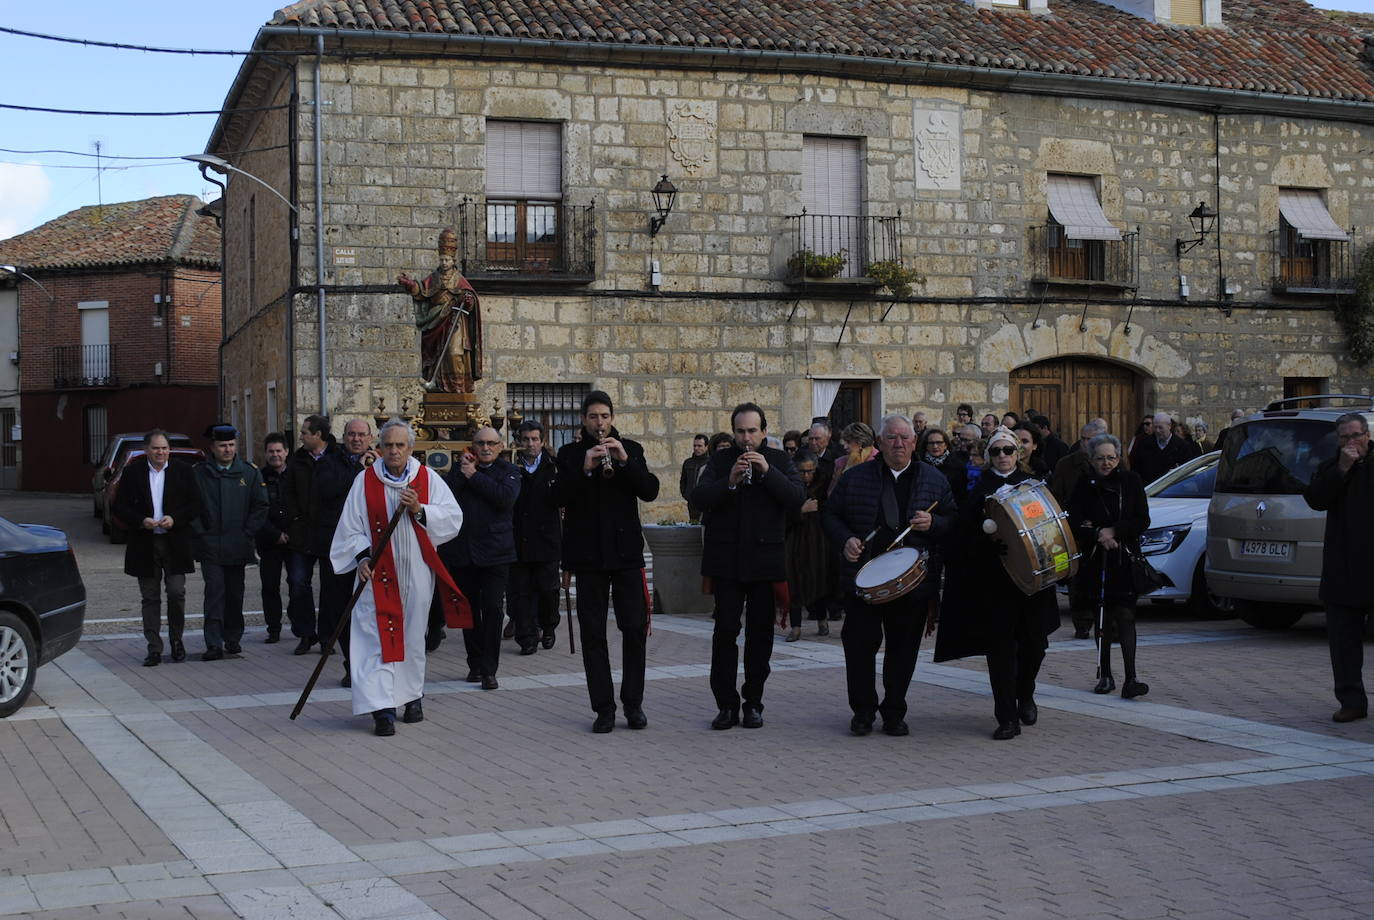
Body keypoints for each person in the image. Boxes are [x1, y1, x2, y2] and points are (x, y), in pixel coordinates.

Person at [330, 419, 469, 736]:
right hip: (376, 576)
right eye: (388, 445)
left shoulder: (426, 478)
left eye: (400, 445)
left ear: (410, 448)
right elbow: (349, 528)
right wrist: (362, 557)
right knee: (374, 640)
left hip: (415, 574)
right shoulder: (364, 482)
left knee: (411, 638)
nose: (393, 451)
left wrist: (421, 510)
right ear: (379, 448)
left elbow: (452, 517)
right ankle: (381, 709)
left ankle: (412, 697)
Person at [823, 413, 956, 737]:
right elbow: (830, 515)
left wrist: (935, 524)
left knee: (903, 649)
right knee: (858, 648)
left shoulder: (934, 479)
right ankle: (863, 712)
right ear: (879, 443)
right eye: (892, 438)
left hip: (912, 583)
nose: (898, 443)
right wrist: (846, 541)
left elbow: (954, 518)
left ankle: (894, 711)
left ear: (914, 442)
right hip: (862, 580)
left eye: (905, 438)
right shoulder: (855, 477)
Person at [936, 427, 1060, 739]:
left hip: (1032, 582)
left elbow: (1050, 529)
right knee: (1001, 649)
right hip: (996, 583)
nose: (1002, 457)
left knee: (1035, 644)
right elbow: (963, 536)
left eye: (1008, 450)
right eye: (996, 451)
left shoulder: (1034, 487)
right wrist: (984, 545)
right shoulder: (978, 492)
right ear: (987, 456)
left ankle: (1026, 691)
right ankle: (1006, 716)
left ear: (1019, 453)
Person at [692, 402, 805, 730]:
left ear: (764, 432)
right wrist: (729, 481)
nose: (746, 438)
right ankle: (726, 704)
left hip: (764, 561)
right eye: (740, 431)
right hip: (726, 562)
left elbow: (797, 498)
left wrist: (768, 473)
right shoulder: (720, 460)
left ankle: (753, 702)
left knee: (760, 635)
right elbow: (698, 498)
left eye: (752, 431)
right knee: (725, 632)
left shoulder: (781, 460)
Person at [555, 391, 660, 733]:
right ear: (583, 420)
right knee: (593, 635)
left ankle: (634, 703)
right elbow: (555, 498)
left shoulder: (630, 448)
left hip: (626, 556)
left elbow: (649, 490)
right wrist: (585, 469)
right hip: (588, 559)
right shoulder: (571, 454)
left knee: (633, 630)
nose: (599, 423)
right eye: (593, 417)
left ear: (612, 418)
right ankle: (603, 708)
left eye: (604, 416)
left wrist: (625, 461)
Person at [1068, 434, 1152, 699]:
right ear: (1091, 460)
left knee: (1126, 616)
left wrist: (1113, 530)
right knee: (1101, 617)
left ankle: (1131, 677)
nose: (1106, 463)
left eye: (1111, 458)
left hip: (1124, 557)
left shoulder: (1132, 481)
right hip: (1096, 559)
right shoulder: (1084, 483)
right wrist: (1096, 535)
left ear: (1119, 457)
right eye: (1100, 458)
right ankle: (1105, 674)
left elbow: (1142, 519)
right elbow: (1075, 519)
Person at [1303, 412, 1374, 723]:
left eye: (1355, 435)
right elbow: (1315, 499)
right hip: (1343, 568)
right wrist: (1343, 468)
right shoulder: (1331, 467)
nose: (1351, 443)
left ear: (1368, 435)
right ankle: (1351, 700)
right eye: (1344, 438)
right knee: (1343, 644)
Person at [438, 426, 521, 689]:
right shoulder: (459, 469)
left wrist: (473, 476)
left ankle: (489, 669)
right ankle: (474, 663)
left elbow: (504, 499)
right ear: (472, 446)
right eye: (480, 443)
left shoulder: (509, 471)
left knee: (494, 609)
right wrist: (463, 473)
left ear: (499, 447)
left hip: (496, 554)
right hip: (463, 553)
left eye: (490, 444)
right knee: (469, 611)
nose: (485, 448)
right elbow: (445, 497)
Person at [112, 429, 202, 667]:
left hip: (175, 542)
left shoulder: (183, 471)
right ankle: (154, 648)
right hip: (145, 543)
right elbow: (119, 507)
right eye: (155, 448)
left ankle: (176, 641)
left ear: (169, 449)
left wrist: (175, 518)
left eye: (164, 448)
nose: (160, 452)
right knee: (150, 597)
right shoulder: (133, 472)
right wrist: (141, 520)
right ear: (146, 450)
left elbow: (195, 504)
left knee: (176, 592)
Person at [191, 424, 268, 662]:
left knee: (235, 593)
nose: (228, 450)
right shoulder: (199, 473)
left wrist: (247, 532)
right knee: (214, 592)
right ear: (212, 447)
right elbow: (190, 505)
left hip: (238, 544)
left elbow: (261, 505)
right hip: (210, 545)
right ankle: (213, 642)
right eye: (223, 446)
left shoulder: (249, 472)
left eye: (231, 445)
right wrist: (201, 533)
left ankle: (233, 637)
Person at [313, 418, 378, 688]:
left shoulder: (380, 463)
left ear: (370, 437)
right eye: (351, 434)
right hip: (339, 547)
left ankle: (371, 665)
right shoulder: (328, 463)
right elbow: (327, 491)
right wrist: (359, 473)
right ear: (344, 436)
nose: (356, 439)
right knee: (342, 609)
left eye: (361, 435)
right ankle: (352, 666)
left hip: (370, 546)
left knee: (368, 610)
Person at [397, 227, 482, 393]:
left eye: (447, 260)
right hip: (435, 320)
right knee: (437, 355)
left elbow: (471, 301)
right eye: (442, 260)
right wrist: (409, 284)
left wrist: (468, 301)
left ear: (453, 260)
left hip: (456, 320)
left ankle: (457, 388)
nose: (444, 263)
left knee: (454, 353)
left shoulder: (460, 279)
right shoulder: (434, 277)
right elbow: (421, 291)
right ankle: (438, 384)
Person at [281, 414, 335, 654]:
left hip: (329, 533)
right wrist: (293, 519)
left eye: (304, 432)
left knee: (330, 588)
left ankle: (327, 636)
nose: (301, 436)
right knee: (298, 583)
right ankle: (305, 633)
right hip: (302, 532)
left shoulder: (336, 457)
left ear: (318, 435)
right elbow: (288, 492)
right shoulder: (298, 460)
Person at [1050, 419, 1109, 640]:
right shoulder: (1066, 465)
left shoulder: (1111, 462)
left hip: (1104, 530)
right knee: (1079, 578)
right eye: (1083, 439)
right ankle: (1082, 622)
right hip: (1076, 530)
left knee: (1104, 576)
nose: (1085, 444)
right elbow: (1057, 497)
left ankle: (1105, 620)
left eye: (1090, 439)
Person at [509, 420, 562, 653]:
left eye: (534, 439)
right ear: (518, 442)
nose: (530, 444)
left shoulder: (554, 467)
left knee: (548, 589)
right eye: (525, 440)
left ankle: (548, 626)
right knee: (520, 592)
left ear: (542, 442)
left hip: (546, 540)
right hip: (518, 539)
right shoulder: (510, 467)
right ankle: (527, 637)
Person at [784, 450, 833, 640]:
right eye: (802, 472)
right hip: (794, 541)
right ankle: (795, 626)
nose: (806, 476)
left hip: (819, 540)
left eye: (810, 471)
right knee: (793, 581)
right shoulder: (788, 486)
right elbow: (780, 515)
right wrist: (800, 511)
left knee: (819, 578)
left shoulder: (824, 484)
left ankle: (822, 619)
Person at [256, 433, 291, 644]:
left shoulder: (296, 475)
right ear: (266, 453)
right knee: (270, 587)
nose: (275, 455)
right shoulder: (258, 478)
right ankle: (274, 628)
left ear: (286, 452)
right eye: (271, 451)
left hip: (294, 540)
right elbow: (256, 511)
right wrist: (274, 534)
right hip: (268, 541)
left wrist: (290, 533)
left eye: (279, 451)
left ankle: (300, 626)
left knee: (297, 585)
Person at [1129, 411, 1192, 485]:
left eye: (1160, 428)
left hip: (1172, 490)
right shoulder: (1144, 444)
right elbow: (1135, 468)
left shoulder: (1182, 446)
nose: (1157, 431)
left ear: (1169, 426)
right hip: (1148, 489)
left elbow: (1188, 470)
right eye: (1155, 427)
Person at [829, 421, 877, 492]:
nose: (845, 447)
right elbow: (831, 493)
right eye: (845, 442)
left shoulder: (878, 462)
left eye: (848, 442)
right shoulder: (840, 463)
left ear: (860, 442)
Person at [919, 427, 966, 498]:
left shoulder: (957, 466)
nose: (935, 446)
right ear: (926, 446)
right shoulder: (919, 466)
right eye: (931, 443)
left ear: (946, 445)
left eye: (939, 442)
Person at [679, 433, 710, 523]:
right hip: (692, 502)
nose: (696, 448)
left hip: (706, 502)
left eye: (699, 446)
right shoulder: (688, 463)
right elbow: (683, 481)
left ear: (706, 447)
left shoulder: (711, 462)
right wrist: (686, 494)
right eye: (695, 446)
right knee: (693, 525)